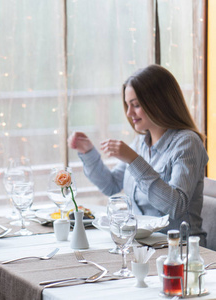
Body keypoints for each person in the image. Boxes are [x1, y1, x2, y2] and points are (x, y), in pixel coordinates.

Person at [68, 64, 208, 245]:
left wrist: (134, 161)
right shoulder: (141, 143)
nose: (129, 113)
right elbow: (111, 186)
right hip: (141, 246)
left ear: (159, 103)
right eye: (127, 105)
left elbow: (176, 206)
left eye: (135, 105)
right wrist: (87, 152)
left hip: (179, 250)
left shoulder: (187, 143)